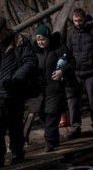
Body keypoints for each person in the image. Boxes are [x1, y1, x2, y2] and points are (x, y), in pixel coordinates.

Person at [0, 16, 36, 167]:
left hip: (13, 91)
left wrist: (16, 78)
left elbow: (30, 62)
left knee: (15, 125)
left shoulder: (20, 41)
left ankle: (17, 153)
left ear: (5, 29)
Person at [65, 8, 93, 138]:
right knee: (73, 101)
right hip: (75, 72)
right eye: (75, 21)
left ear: (85, 19)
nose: (77, 23)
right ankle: (75, 127)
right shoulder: (71, 33)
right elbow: (67, 52)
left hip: (90, 71)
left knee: (92, 100)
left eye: (79, 20)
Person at [30, 24, 75, 152]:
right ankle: (53, 139)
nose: (40, 43)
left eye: (43, 39)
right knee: (43, 115)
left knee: (52, 115)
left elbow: (72, 62)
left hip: (54, 88)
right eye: (38, 40)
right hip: (39, 90)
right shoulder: (35, 51)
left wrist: (62, 72)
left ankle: (49, 141)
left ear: (49, 38)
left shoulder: (58, 48)